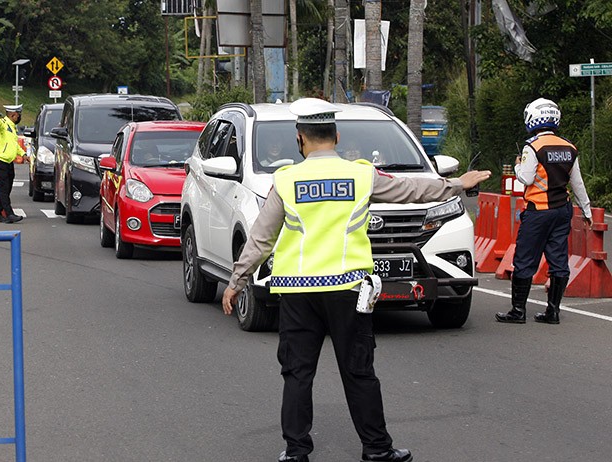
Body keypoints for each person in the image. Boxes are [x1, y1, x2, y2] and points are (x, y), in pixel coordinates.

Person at [221, 98, 492, 462]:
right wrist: (457, 184)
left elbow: (261, 238)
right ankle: (377, 449)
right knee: (359, 371)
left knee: (297, 373)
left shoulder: (285, 180)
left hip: (298, 294)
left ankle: (296, 452)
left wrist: (237, 281)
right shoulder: (361, 175)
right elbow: (411, 189)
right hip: (348, 290)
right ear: (336, 136)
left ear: (300, 138)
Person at [495, 98, 592, 325]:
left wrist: (518, 165)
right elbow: (577, 184)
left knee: (525, 259)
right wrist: (586, 211)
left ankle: (518, 311)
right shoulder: (569, 147)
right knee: (558, 260)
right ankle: (553, 312)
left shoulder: (533, 147)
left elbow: (526, 178)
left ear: (533, 119)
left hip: (538, 211)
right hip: (562, 211)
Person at [0, 104, 25, 223]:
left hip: (7, 162)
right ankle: (9, 214)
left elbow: (14, 144)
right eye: (18, 115)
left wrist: (23, 154)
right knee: (3, 189)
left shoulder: (12, 127)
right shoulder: (3, 123)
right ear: (13, 115)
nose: (19, 117)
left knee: (6, 189)